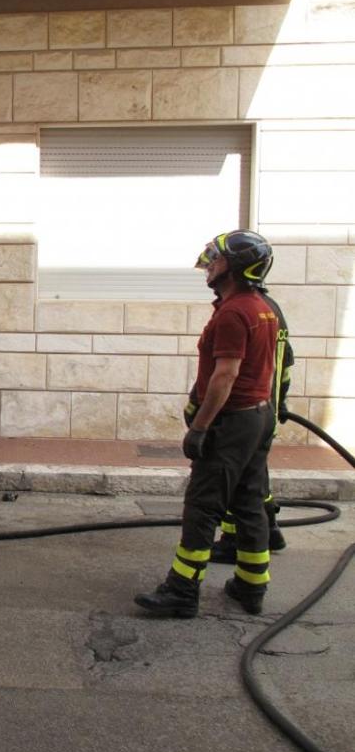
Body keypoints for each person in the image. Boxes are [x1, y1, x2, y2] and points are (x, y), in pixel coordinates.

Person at [135, 230, 279, 618]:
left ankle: (182, 591)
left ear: (232, 267)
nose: (209, 265)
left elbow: (225, 375)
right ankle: (251, 585)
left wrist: (200, 426)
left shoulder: (234, 313)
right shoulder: (260, 306)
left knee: (203, 506)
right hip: (258, 417)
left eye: (215, 259)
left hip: (232, 422)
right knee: (248, 501)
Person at [202, 278, 295, 564]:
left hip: (245, 412)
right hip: (265, 409)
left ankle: (247, 537)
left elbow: (228, 372)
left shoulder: (243, 310)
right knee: (252, 480)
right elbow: (286, 362)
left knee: (238, 483)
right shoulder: (270, 308)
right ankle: (265, 533)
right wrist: (280, 403)